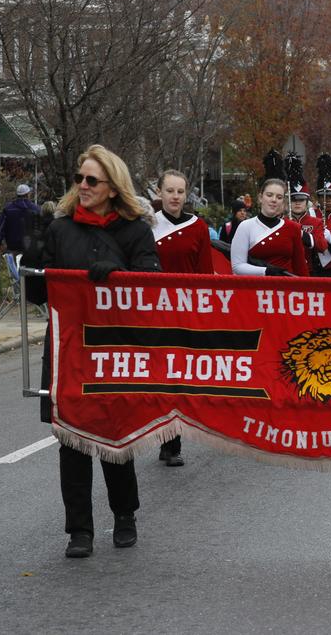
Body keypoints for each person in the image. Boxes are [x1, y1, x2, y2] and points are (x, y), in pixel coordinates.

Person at [22, 144, 161, 558]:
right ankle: (79, 529)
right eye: (79, 178)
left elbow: (152, 283)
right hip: (69, 348)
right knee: (71, 438)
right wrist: (32, 249)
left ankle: (124, 514)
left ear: (113, 188)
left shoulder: (135, 230)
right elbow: (36, 294)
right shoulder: (61, 229)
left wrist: (118, 275)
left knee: (113, 433)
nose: (82, 186)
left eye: (91, 180)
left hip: (115, 346)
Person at [152, 169, 214, 467]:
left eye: (180, 191)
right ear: (160, 193)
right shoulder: (148, 224)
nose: (175, 197)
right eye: (170, 191)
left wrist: (206, 311)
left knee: (180, 378)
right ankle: (163, 437)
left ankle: (173, 438)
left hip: (187, 311)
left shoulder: (198, 226)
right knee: (160, 377)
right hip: (155, 311)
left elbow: (204, 272)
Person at [231, 179, 309, 276]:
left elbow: (300, 268)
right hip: (256, 288)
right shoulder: (245, 226)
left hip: (287, 288)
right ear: (260, 197)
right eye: (269, 195)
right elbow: (237, 266)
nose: (274, 200)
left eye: (279, 197)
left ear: (283, 201)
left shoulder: (293, 228)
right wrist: (265, 271)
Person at [0, 184, 39, 255]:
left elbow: (0, 228)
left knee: (13, 265)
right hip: (30, 247)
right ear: (28, 194)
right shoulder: (35, 209)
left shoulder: (8, 209)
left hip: (12, 247)